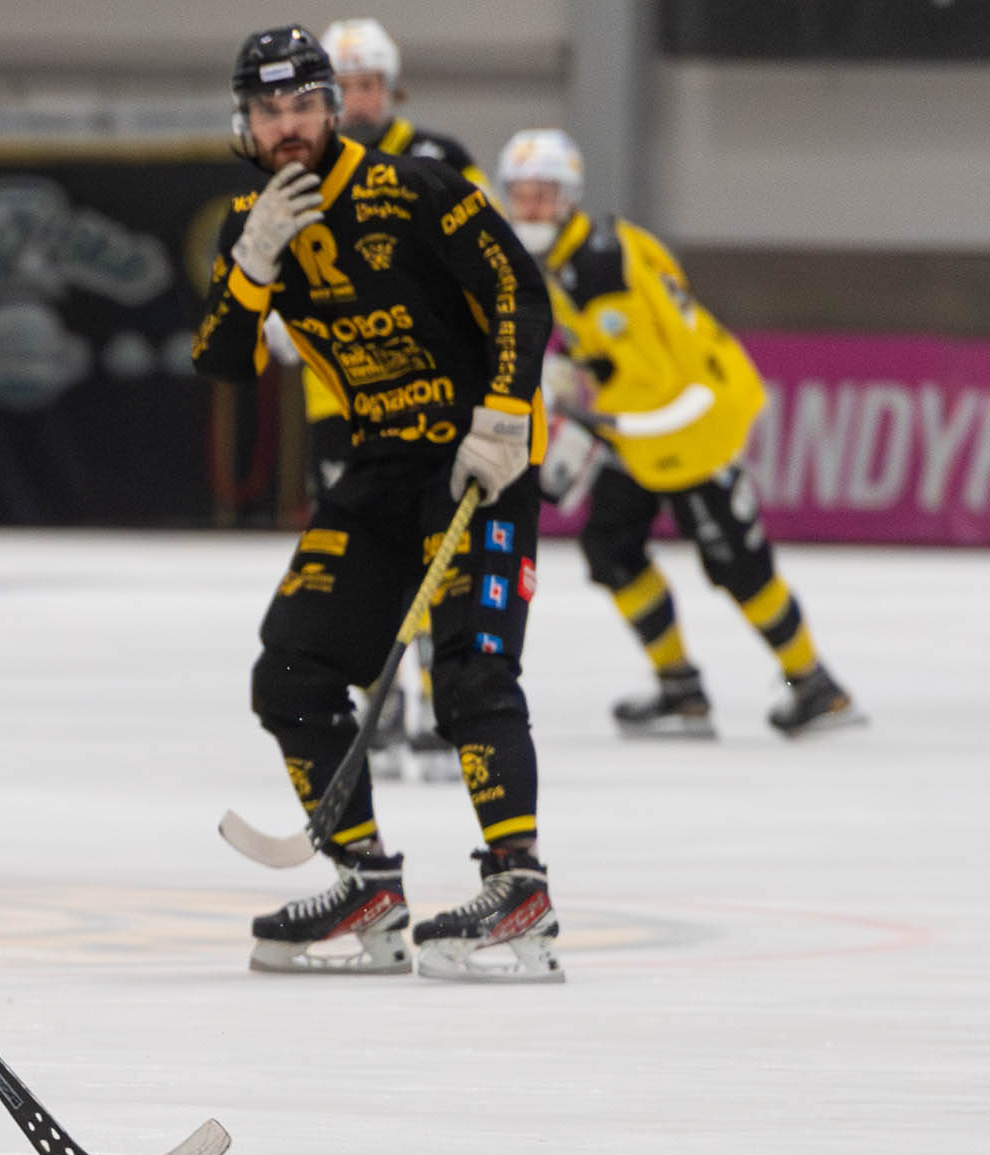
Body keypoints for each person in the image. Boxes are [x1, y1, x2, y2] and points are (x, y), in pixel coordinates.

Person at [193, 26, 562, 983]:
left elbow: (520, 291)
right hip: (383, 466)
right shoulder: (251, 223)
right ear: (246, 122)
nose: (287, 126)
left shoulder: (416, 187)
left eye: (302, 105)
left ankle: (519, 889)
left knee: (472, 672)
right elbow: (222, 360)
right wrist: (253, 267)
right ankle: (365, 882)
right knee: (291, 672)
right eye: (268, 110)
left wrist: (507, 412)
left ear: (331, 107)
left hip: (479, 459)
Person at [495, 128, 862, 738]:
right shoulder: (591, 246)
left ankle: (814, 684)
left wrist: (584, 420)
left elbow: (653, 375)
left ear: (569, 196)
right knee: (612, 548)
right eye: (522, 194)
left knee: (737, 565)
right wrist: (576, 369)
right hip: (651, 428)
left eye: (544, 194)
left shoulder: (595, 269)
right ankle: (680, 686)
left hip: (689, 425)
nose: (531, 207)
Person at [318, 17, 491, 782]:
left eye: (370, 84)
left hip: (429, 390)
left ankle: (444, 702)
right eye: (346, 85)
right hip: (339, 397)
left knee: (439, 552)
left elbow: (488, 256)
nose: (359, 99)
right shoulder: (301, 164)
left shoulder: (440, 159)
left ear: (392, 88)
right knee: (362, 557)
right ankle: (378, 704)